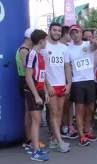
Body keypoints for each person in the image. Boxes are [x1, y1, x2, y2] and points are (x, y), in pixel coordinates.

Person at [65, 25, 97, 146]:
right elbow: (67, 67)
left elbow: (96, 46)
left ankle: (87, 130)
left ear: (81, 33)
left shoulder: (88, 45)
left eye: (77, 32)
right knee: (79, 110)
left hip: (90, 80)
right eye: (72, 33)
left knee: (90, 108)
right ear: (71, 35)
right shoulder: (68, 49)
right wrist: (69, 83)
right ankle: (81, 135)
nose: (75, 35)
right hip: (77, 82)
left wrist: (93, 40)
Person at [42, 23, 70, 152]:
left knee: (59, 113)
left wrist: (69, 83)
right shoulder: (44, 46)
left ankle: (54, 139)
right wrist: (47, 85)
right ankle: (59, 141)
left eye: (59, 31)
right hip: (50, 85)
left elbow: (67, 66)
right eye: (54, 30)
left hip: (62, 84)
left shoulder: (64, 48)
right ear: (50, 31)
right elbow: (42, 68)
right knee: (53, 113)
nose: (57, 32)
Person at [25, 29, 49, 161]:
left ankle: (35, 147)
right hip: (33, 91)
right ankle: (35, 151)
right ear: (41, 41)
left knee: (37, 120)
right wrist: (36, 95)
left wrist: (44, 91)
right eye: (45, 40)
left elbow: (42, 75)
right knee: (36, 121)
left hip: (39, 90)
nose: (46, 42)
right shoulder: (32, 54)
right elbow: (28, 77)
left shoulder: (39, 54)